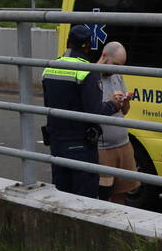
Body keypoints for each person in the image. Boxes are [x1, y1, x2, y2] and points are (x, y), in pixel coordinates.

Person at [41, 24, 119, 197]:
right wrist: (114, 105)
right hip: (80, 145)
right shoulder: (87, 71)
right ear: (88, 46)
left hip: (57, 143)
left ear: (68, 42)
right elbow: (94, 113)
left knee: (61, 194)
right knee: (83, 198)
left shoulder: (49, 67)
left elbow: (48, 104)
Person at [96, 40, 139, 204]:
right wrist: (111, 102)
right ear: (104, 56)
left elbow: (125, 111)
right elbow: (91, 110)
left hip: (123, 143)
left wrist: (125, 101)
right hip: (103, 148)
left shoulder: (117, 76)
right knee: (103, 197)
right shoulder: (91, 77)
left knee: (123, 193)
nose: (117, 69)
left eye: (120, 66)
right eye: (115, 64)